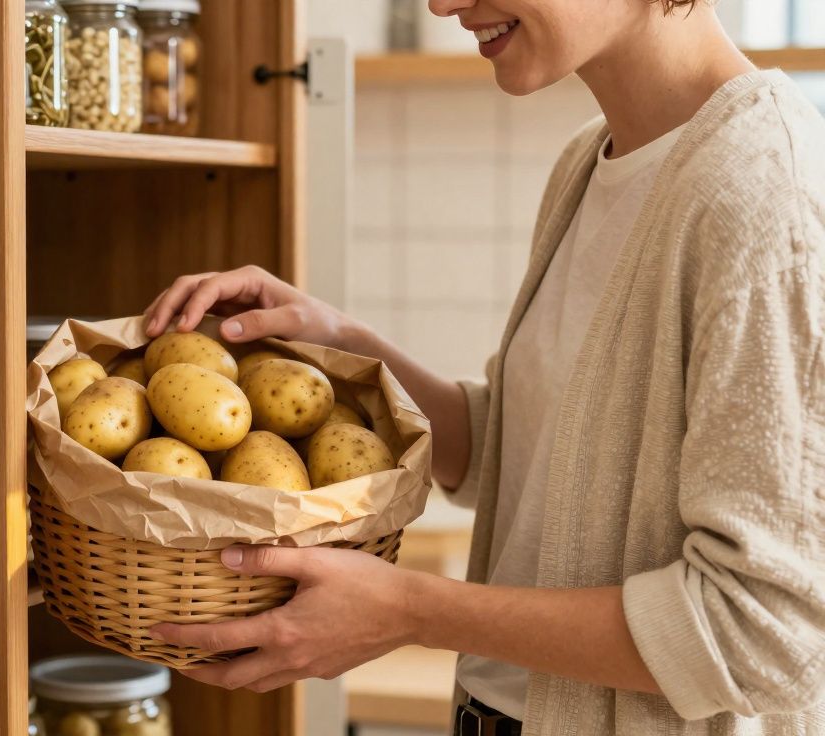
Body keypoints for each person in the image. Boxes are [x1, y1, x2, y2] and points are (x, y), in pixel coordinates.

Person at [142, 0, 825, 733]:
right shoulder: (587, 165)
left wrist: (412, 610)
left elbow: (765, 630)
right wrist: (344, 343)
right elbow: (534, 455)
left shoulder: (764, 194)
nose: (442, 3)